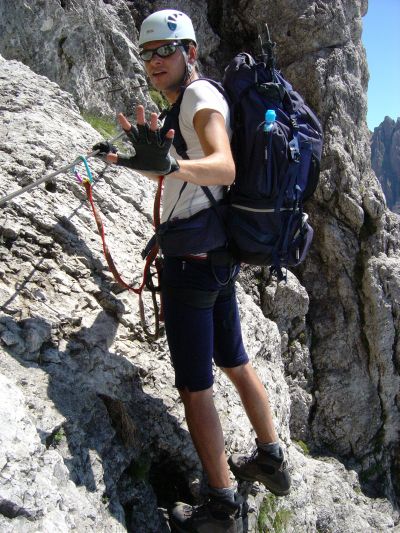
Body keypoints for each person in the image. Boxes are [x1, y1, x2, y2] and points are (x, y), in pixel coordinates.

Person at [94, 9, 291, 532]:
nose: (155, 61)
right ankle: (270, 458)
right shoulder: (183, 102)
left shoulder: (201, 99)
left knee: (195, 387)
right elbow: (177, 162)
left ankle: (222, 505)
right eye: (147, 53)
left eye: (166, 50)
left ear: (190, 53)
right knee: (234, 358)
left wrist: (170, 166)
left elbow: (222, 165)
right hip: (216, 255)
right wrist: (124, 158)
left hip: (193, 263)